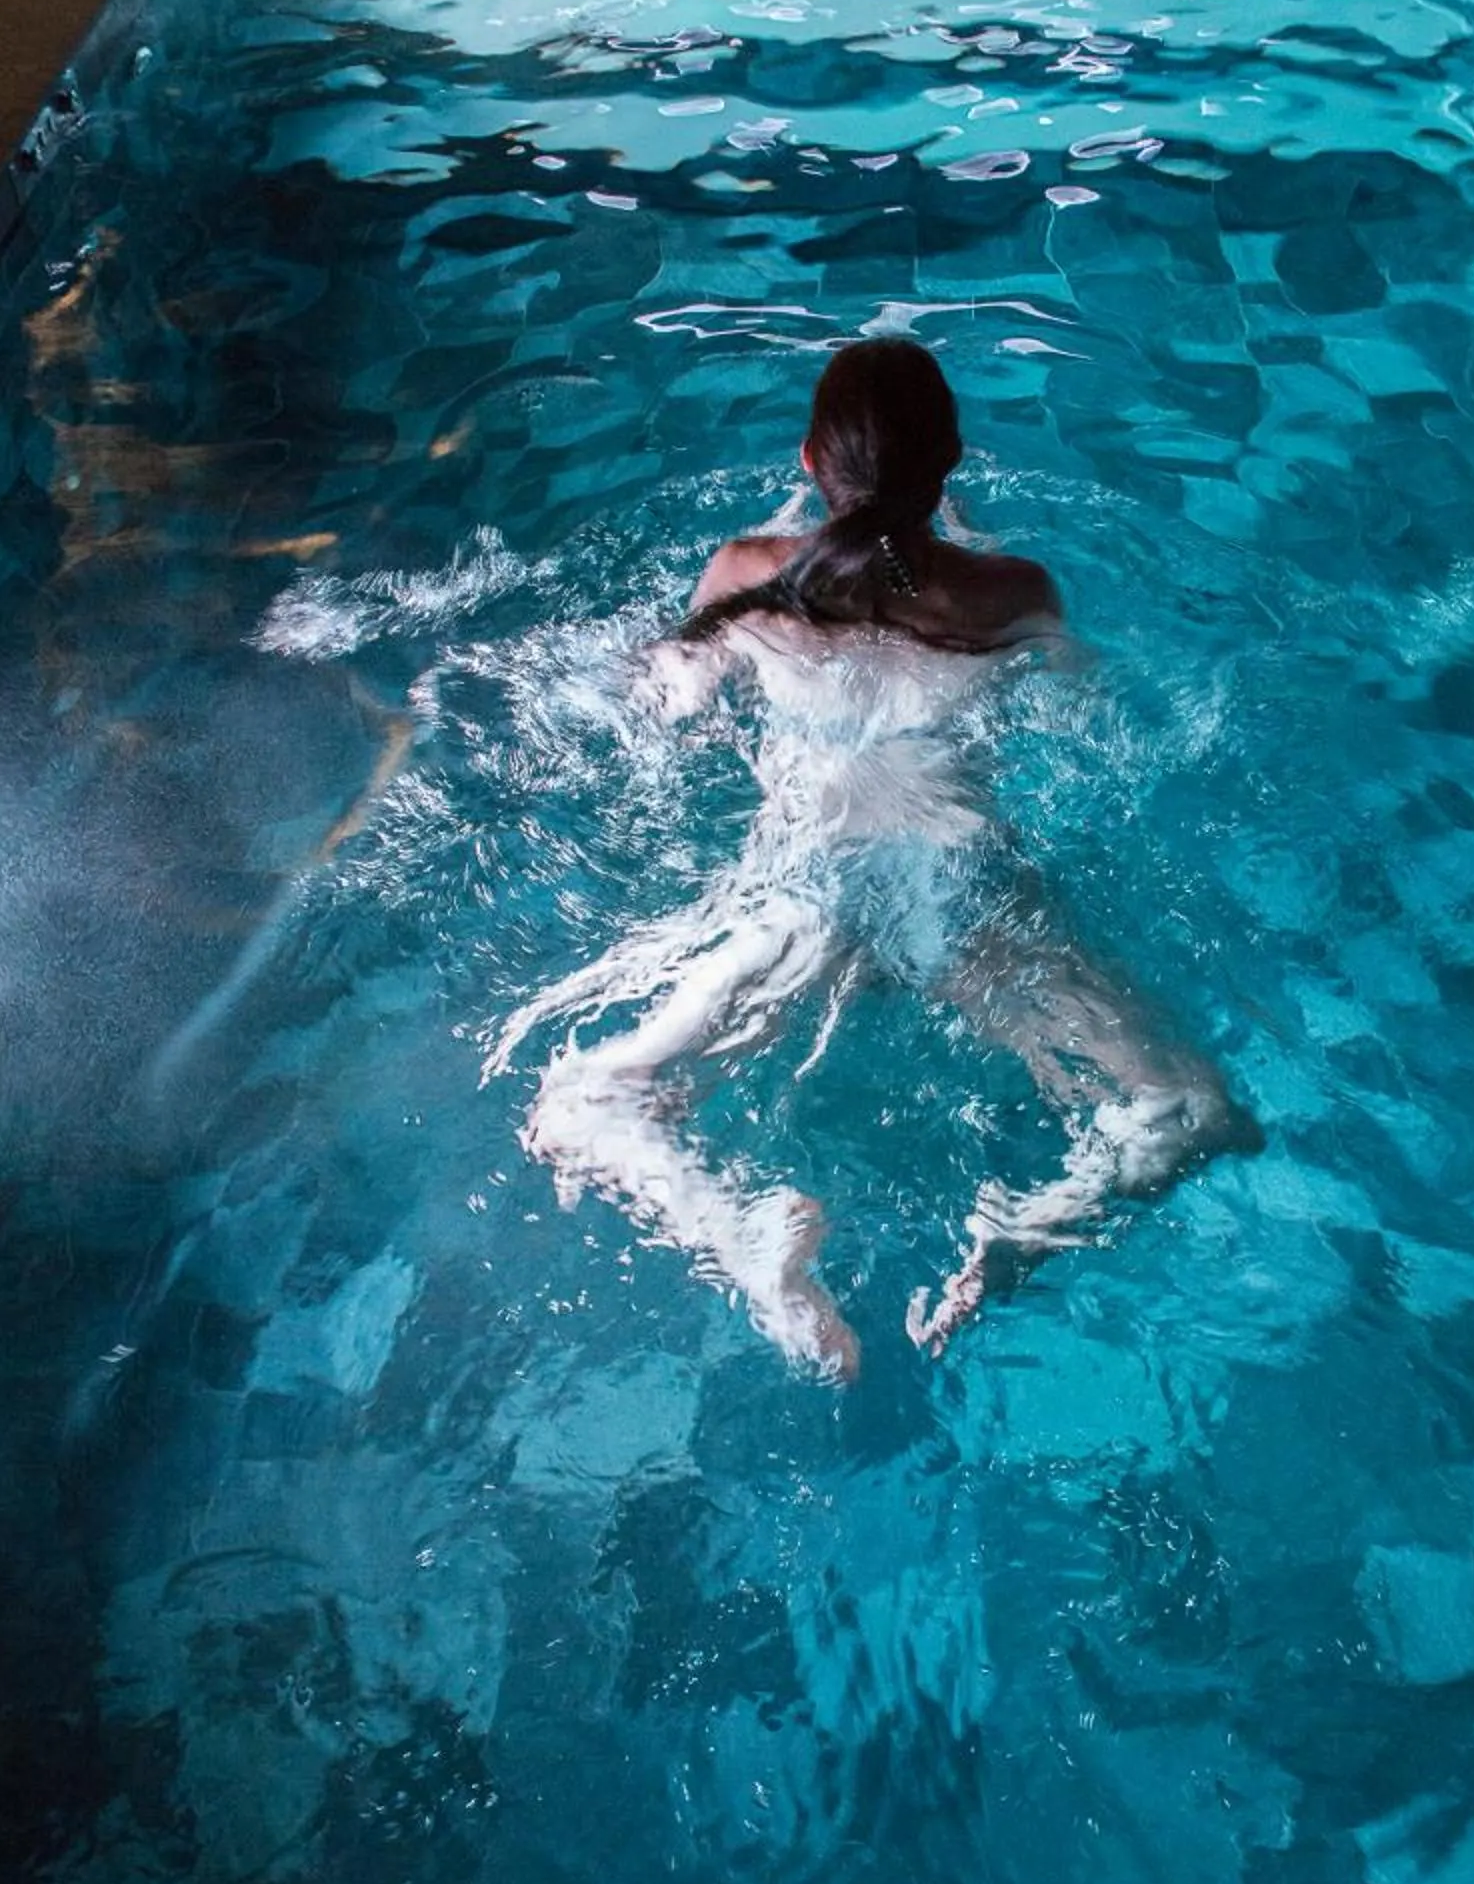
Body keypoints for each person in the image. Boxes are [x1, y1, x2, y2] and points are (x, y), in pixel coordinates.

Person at [484, 337, 1249, 1378]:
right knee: (1187, 1110)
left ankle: (745, 1245)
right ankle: (1029, 1227)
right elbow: (1082, 718)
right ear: (953, 463)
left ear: (809, 462)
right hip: (966, 897)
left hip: (802, 896)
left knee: (582, 1104)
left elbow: (665, 705)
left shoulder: (748, 574)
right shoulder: (1014, 591)